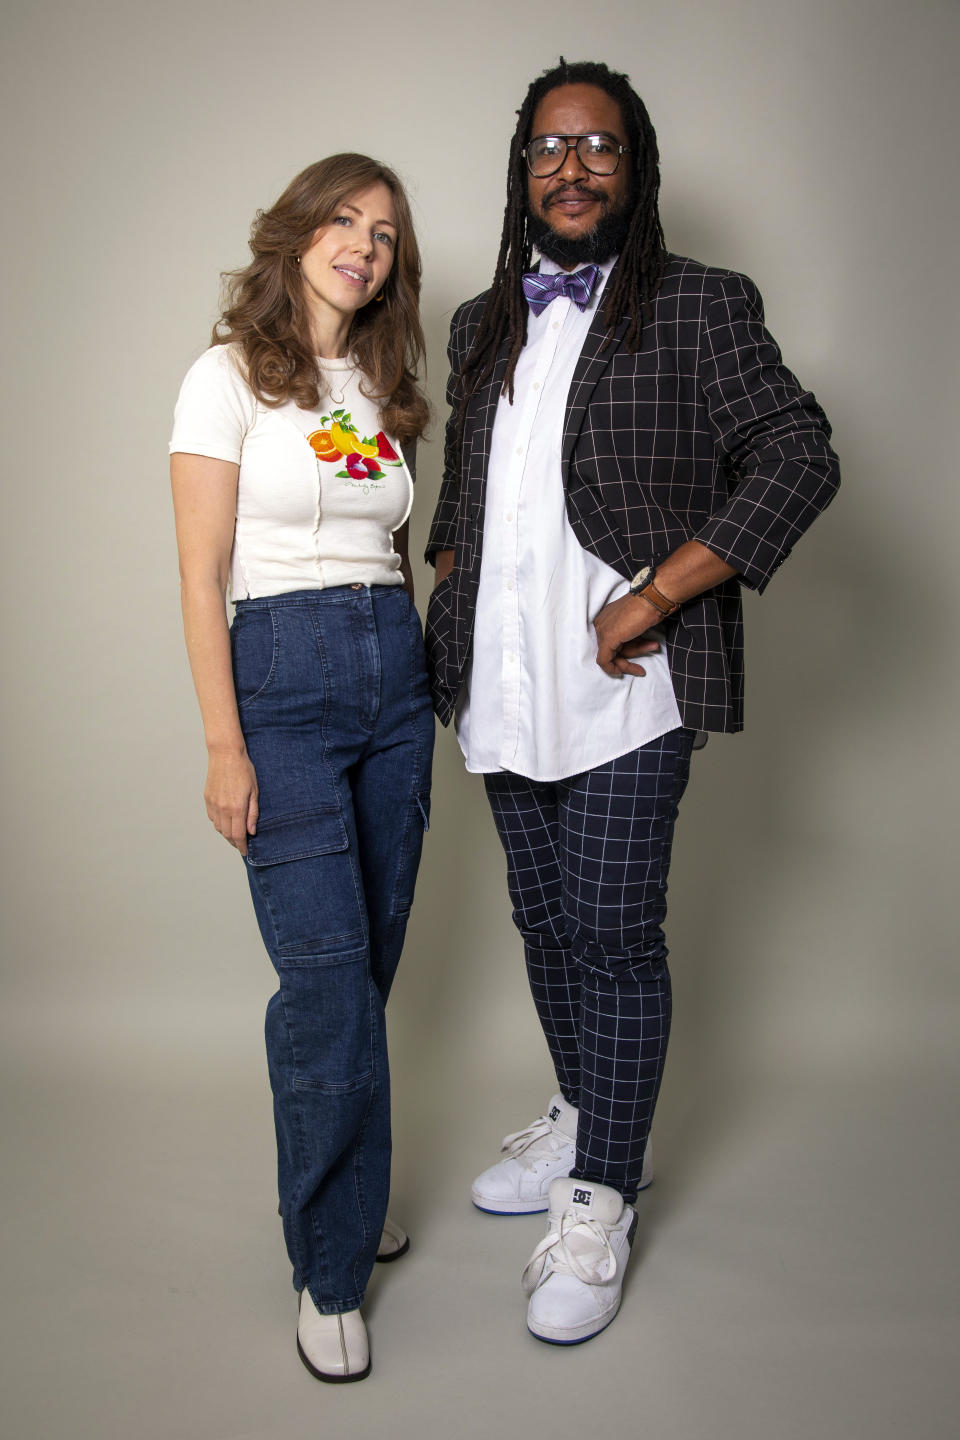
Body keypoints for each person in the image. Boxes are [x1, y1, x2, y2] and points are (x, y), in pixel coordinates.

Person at [425, 59, 839, 1346]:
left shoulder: (703, 306)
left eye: (598, 146)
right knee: (543, 920)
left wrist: (655, 597)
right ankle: (581, 1114)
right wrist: (449, 588)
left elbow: (800, 454)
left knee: (611, 928)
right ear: (523, 167)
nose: (571, 168)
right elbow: (466, 492)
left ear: (635, 165)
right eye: (549, 147)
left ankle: (603, 1195)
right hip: (502, 677)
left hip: (627, 688)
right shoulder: (482, 319)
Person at [170, 153, 433, 1383]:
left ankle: (352, 1180)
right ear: (297, 233)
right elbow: (198, 573)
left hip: (394, 665)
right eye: (345, 219)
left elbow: (396, 542)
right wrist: (225, 743)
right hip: (279, 677)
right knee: (324, 981)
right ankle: (329, 1267)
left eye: (384, 233)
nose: (364, 246)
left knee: (371, 955)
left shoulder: (377, 386)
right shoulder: (222, 378)